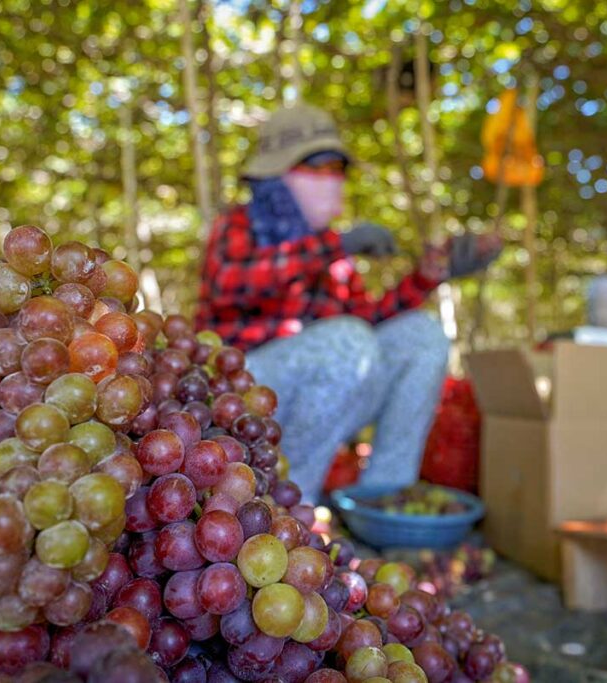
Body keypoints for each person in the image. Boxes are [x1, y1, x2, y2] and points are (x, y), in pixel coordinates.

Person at [196, 103, 501, 501]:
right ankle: (285, 505)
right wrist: (334, 246)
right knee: (346, 342)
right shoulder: (238, 225)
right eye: (315, 168)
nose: (331, 181)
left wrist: (431, 274)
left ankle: (385, 495)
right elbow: (229, 284)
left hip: (319, 400)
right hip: (240, 394)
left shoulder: (331, 255)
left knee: (422, 335)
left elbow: (367, 322)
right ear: (275, 174)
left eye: (336, 170)